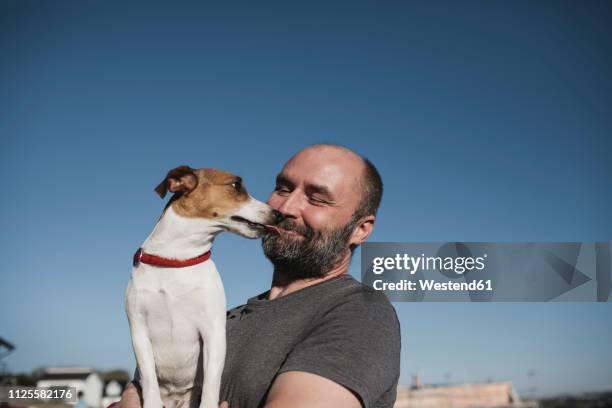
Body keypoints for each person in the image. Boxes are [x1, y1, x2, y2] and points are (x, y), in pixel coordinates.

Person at [118, 144, 401, 408]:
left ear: (361, 230)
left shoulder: (359, 314)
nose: (286, 208)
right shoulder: (226, 317)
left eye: (317, 199)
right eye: (283, 188)